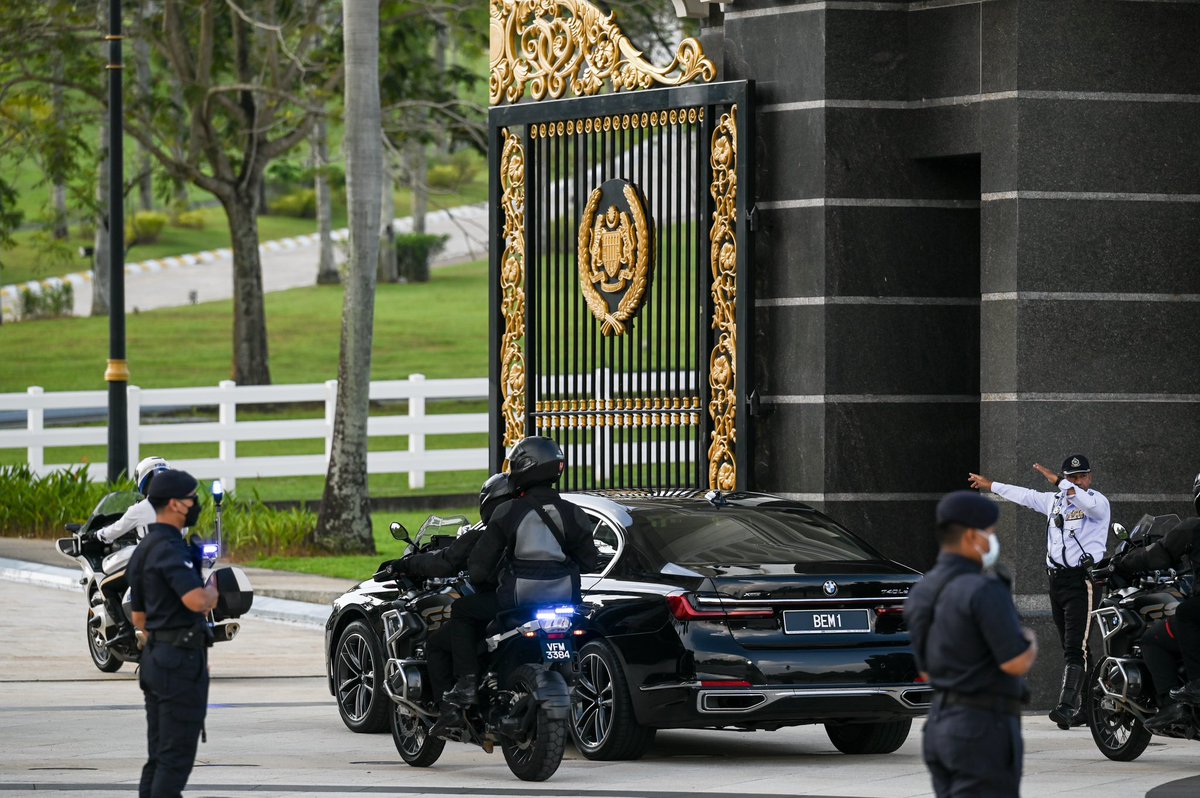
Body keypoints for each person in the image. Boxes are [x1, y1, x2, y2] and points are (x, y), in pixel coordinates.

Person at [441, 436, 599, 710]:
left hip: (516, 601)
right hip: (563, 602)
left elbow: (478, 570)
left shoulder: (507, 511)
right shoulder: (574, 513)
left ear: (524, 468)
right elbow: (589, 562)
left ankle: (466, 684)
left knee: (462, 610)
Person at [905, 490, 1037, 798]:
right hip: (982, 729)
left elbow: (924, 667)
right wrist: (1029, 642)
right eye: (989, 533)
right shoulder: (983, 589)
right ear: (970, 538)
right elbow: (1014, 661)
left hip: (939, 724)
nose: (992, 541)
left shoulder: (921, 592)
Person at [968, 454, 1110, 729]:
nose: (1078, 482)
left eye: (1082, 476)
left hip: (1083, 582)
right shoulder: (1054, 502)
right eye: (1072, 477)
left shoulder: (1096, 501)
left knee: (1075, 648)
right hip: (1057, 581)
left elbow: (1083, 501)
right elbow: (1025, 496)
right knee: (1075, 648)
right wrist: (991, 485)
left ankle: (1066, 707)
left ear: (1090, 477)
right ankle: (1090, 709)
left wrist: (1059, 482)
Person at [377, 472, 513, 703]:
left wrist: (404, 564)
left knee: (444, 634)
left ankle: (456, 699)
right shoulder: (543, 527)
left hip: (504, 603)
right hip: (551, 601)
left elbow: (443, 562)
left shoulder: (485, 536)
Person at [126, 469, 220, 798]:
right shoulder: (170, 548)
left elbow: (138, 618)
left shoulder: (143, 549)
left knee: (159, 757)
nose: (196, 503)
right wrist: (212, 592)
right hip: (178, 663)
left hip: (154, 660)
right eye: (192, 497)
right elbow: (195, 601)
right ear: (176, 505)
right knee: (175, 760)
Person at [1107, 474, 1200, 732]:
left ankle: (1174, 705)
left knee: (1155, 638)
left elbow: (1157, 555)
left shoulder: (1193, 528)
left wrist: (1123, 563)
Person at [93, 456, 172, 544]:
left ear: (143, 480)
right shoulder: (177, 506)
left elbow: (114, 531)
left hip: (149, 556)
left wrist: (97, 534)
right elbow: (184, 531)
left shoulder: (139, 509)